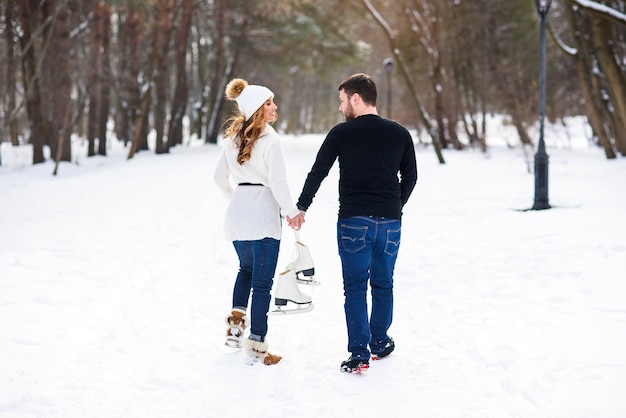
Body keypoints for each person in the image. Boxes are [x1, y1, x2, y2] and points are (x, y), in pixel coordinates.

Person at [289, 73, 417, 373]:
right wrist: (394, 206)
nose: (340, 107)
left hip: (353, 222)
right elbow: (410, 178)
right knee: (384, 284)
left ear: (355, 98)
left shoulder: (341, 134)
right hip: (389, 223)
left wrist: (302, 207)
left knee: (355, 288)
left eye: (342, 100)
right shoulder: (399, 133)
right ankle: (381, 342)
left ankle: (359, 353)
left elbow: (318, 171)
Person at [214, 78, 301, 366]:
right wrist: (291, 211)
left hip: (238, 212)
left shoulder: (230, 138)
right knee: (262, 284)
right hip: (263, 214)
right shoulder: (271, 139)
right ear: (255, 109)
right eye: (268, 103)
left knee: (246, 269)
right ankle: (257, 345)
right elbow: (278, 181)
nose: (274, 107)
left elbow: (218, 179)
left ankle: (236, 325)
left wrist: (237, 199)